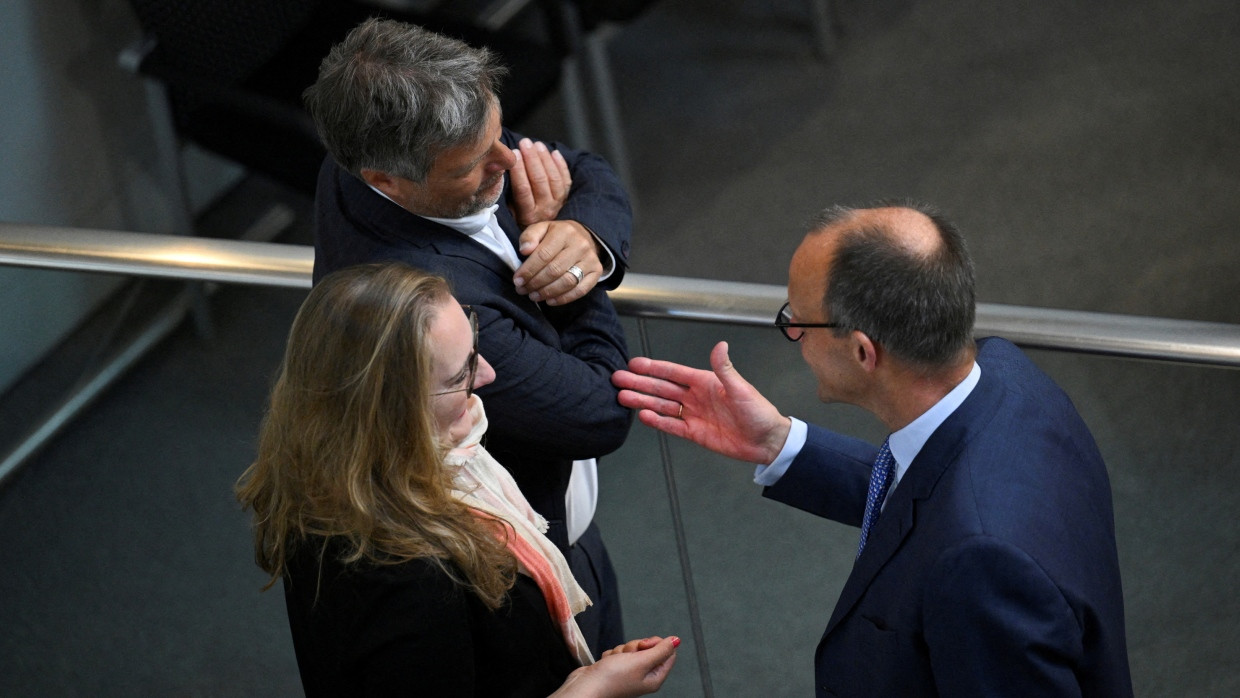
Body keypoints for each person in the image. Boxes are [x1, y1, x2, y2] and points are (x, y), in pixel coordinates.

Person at [612, 202, 1133, 696]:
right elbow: (932, 492)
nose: (791, 331)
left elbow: (961, 525)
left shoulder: (981, 564)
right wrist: (778, 442)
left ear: (864, 351)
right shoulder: (1010, 381)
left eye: (797, 320)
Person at [303, 17, 633, 653]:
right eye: (473, 167)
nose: (509, 163)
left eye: (499, 131)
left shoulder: (412, 140)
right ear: (384, 180)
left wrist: (583, 237)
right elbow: (601, 411)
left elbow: (584, 168)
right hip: (517, 573)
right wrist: (572, 280)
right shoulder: (440, 314)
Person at [236, 263, 676, 697]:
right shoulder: (402, 576)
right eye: (461, 373)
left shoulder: (336, 474)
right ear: (390, 411)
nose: (487, 375)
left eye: (475, 344)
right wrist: (593, 690)